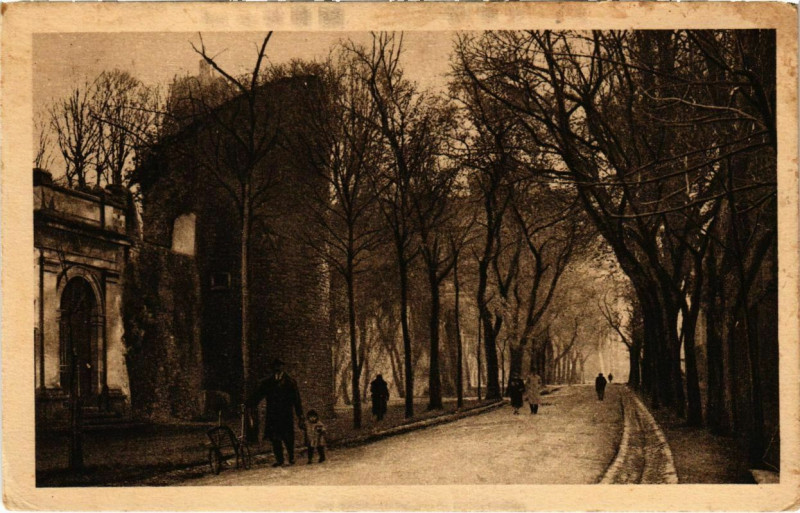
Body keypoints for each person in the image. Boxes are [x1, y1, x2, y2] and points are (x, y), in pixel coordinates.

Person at [249, 358, 305, 467]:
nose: (277, 368)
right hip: (273, 415)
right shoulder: (268, 382)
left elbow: (296, 400)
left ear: (283, 367)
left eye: (279, 366)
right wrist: (249, 404)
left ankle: (291, 457)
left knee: (288, 437)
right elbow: (259, 395)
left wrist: (300, 415)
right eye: (275, 366)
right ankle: (279, 460)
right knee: (275, 438)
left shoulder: (290, 382)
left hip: (286, 415)